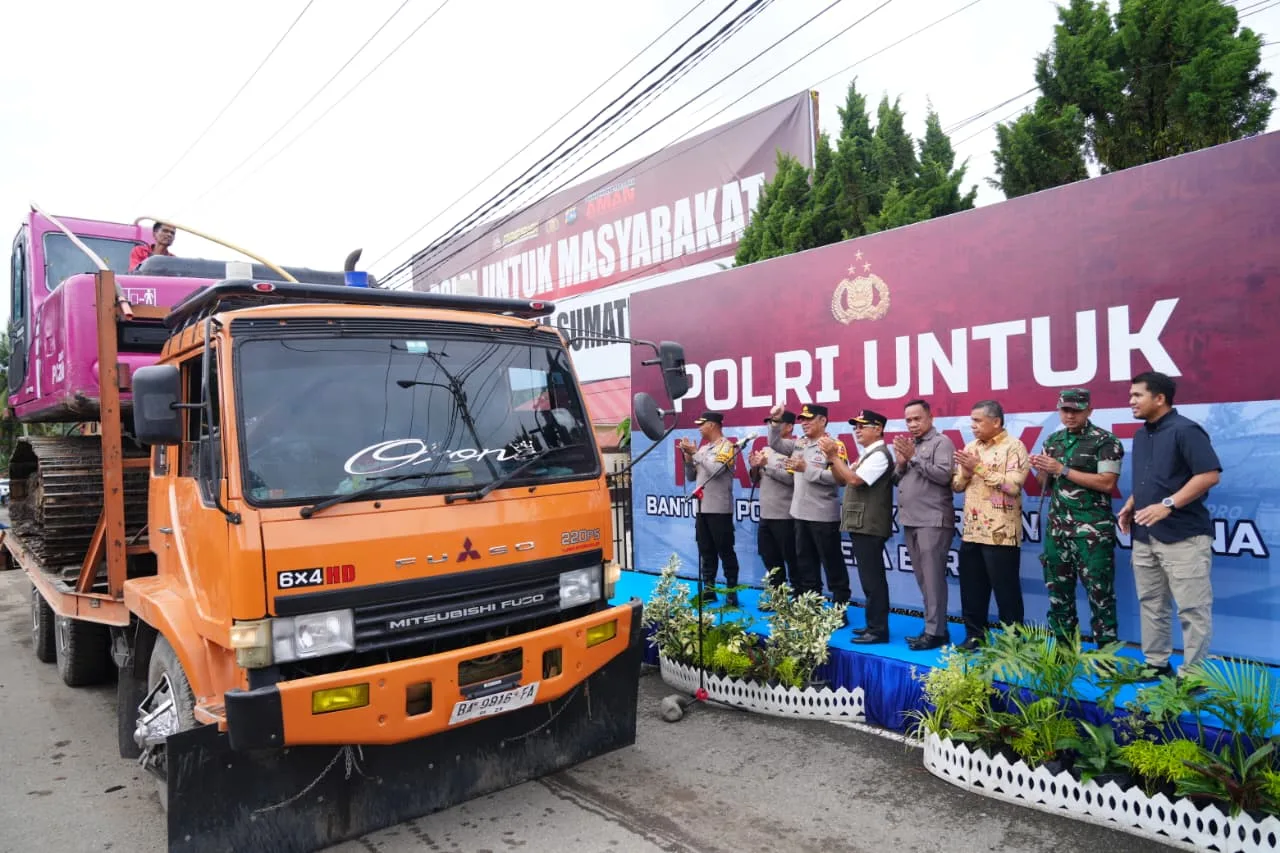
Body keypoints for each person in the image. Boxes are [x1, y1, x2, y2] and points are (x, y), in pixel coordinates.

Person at [1118, 371, 1222, 678]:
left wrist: (1167, 505)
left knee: (1192, 609)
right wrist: (1131, 503)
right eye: (1131, 395)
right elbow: (1154, 479)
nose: (1131, 401)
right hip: (1144, 535)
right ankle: (1156, 664)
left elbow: (1208, 475)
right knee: (1151, 603)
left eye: (1137, 395)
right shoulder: (1141, 434)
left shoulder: (1186, 431)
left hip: (1184, 537)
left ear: (1159, 398)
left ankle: (1194, 676)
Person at [1029, 388, 1124, 646]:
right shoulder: (1053, 440)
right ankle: (1063, 652)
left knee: (1100, 595)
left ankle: (1106, 657)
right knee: (1058, 594)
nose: (1069, 415)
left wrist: (1063, 469)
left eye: (1076, 410)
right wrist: (1041, 468)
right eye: (1064, 410)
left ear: (1089, 411)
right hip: (1058, 531)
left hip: (1092, 531)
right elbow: (1044, 485)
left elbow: (1107, 483)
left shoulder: (1106, 442)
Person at [952, 400, 1031, 651]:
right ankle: (975, 636)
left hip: (1002, 533)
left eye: (978, 421)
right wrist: (965, 472)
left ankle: (1013, 643)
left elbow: (1012, 487)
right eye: (971, 420)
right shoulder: (970, 447)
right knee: (972, 590)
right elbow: (956, 486)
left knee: (1006, 592)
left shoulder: (1014, 447)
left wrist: (977, 467)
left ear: (996, 422)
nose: (972, 425)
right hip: (972, 531)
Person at [767, 402, 850, 618]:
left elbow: (840, 479)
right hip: (799, 514)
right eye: (802, 420)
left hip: (822, 516)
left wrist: (808, 470)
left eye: (809, 419)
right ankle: (812, 606)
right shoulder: (800, 444)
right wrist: (776, 420)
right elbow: (774, 442)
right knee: (806, 564)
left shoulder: (834, 446)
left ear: (823, 420)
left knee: (832, 565)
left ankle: (840, 610)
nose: (803, 423)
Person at [821, 410, 894, 645]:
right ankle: (872, 625)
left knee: (873, 580)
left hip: (870, 524)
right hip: (861, 523)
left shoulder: (880, 455)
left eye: (863, 426)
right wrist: (832, 460)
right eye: (855, 426)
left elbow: (854, 480)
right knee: (868, 579)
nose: (857, 430)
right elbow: (843, 479)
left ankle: (878, 630)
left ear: (878, 429)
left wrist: (835, 456)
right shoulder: (866, 454)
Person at [892, 399, 957, 651]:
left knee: (933, 579)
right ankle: (934, 627)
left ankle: (936, 632)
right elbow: (897, 480)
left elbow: (944, 476)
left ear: (930, 418)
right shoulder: (911, 446)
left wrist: (914, 458)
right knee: (923, 578)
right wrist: (901, 462)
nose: (913, 424)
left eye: (917, 419)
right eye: (908, 420)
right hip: (911, 520)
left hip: (933, 520)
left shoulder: (941, 442)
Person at [678, 411, 742, 606]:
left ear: (712, 425)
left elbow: (717, 470)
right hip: (702, 508)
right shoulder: (704, 449)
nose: (699, 428)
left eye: (702, 424)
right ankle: (709, 588)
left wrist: (695, 453)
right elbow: (690, 477)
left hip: (719, 509)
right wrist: (688, 458)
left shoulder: (727, 447)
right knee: (706, 550)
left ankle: (731, 591)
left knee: (725, 550)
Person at [749, 409, 798, 593]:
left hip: (785, 515)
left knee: (792, 559)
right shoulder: (766, 450)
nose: (772, 427)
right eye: (771, 424)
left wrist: (766, 466)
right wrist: (755, 467)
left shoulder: (794, 450)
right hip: (766, 514)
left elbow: (790, 479)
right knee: (769, 557)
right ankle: (778, 595)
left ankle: (797, 597)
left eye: (777, 423)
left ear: (790, 426)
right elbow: (756, 479)